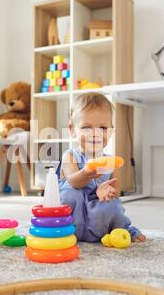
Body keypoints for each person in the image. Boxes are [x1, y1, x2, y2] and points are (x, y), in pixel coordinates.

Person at [58, 93, 146, 243]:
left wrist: (108, 191)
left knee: (113, 205)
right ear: (72, 130)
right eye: (86, 127)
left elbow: (117, 190)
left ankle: (122, 229)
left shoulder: (109, 161)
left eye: (103, 128)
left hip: (96, 217)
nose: (95, 134)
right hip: (72, 219)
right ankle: (64, 230)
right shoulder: (70, 156)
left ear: (111, 130)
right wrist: (86, 173)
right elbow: (73, 181)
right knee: (70, 194)